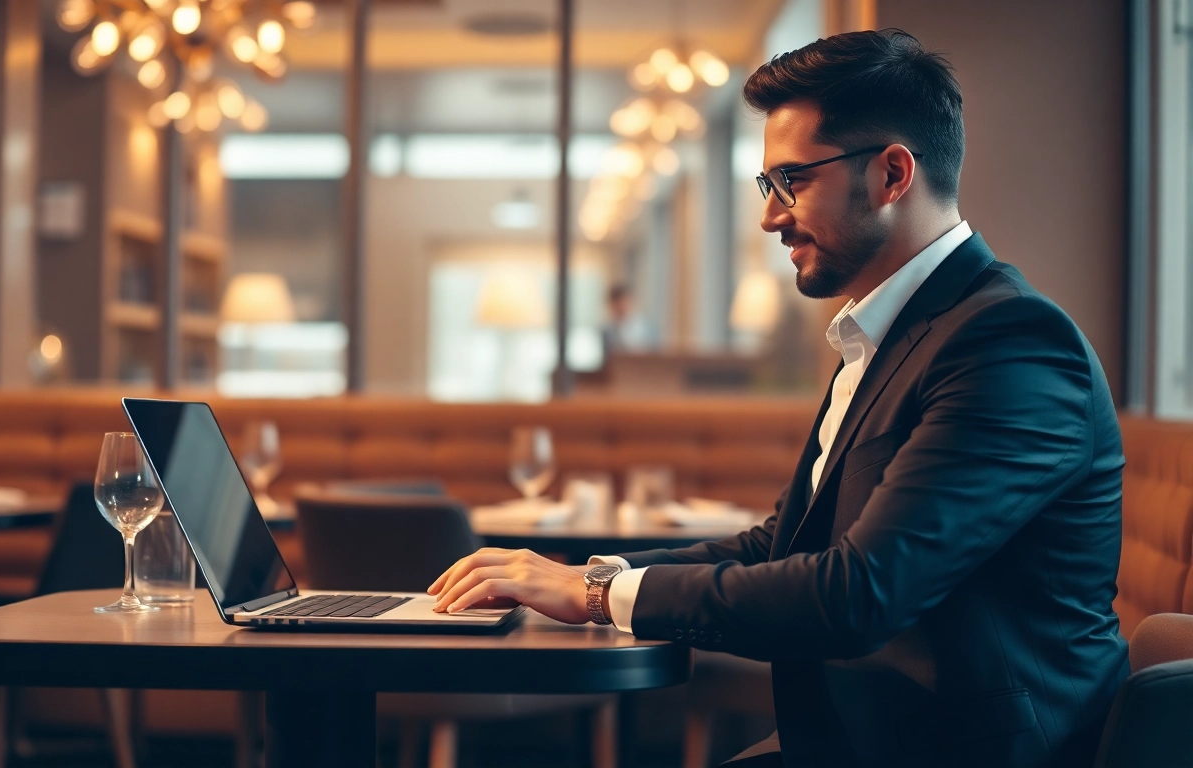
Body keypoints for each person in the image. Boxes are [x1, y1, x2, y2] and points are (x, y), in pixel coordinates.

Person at [429, 29, 1127, 768]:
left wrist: (600, 595)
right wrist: (587, 575)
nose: (770, 217)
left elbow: (859, 594)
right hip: (856, 740)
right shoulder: (889, 333)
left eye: (792, 180)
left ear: (892, 174)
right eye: (769, 185)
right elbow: (784, 545)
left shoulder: (1010, 343)